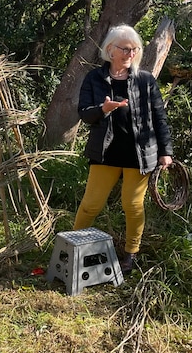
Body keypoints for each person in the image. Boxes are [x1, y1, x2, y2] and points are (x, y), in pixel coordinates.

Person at [72, 24, 174, 273]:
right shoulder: (95, 78)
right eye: (126, 49)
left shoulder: (145, 80)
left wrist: (166, 151)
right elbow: (84, 113)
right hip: (105, 153)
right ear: (110, 50)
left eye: (135, 49)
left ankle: (131, 254)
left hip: (139, 154)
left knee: (133, 205)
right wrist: (102, 109)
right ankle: (73, 248)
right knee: (90, 205)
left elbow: (159, 117)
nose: (131, 53)